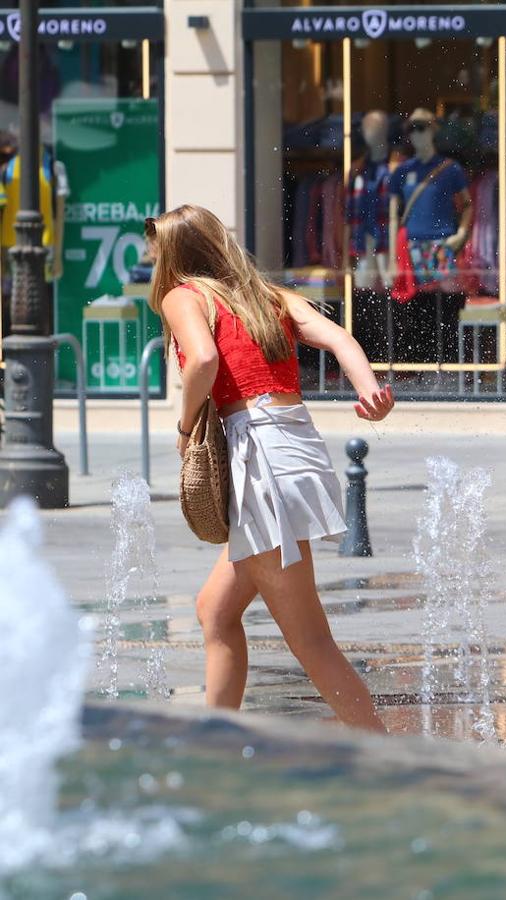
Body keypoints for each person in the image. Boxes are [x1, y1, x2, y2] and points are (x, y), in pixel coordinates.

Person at [146, 204, 395, 731]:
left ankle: (384, 754)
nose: (150, 257)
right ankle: (218, 741)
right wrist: (369, 388)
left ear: (174, 253)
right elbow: (338, 338)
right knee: (215, 610)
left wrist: (185, 426)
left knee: (309, 639)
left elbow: (205, 361)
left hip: (257, 454)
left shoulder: (182, 296)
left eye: (154, 248)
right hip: (293, 445)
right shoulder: (265, 293)